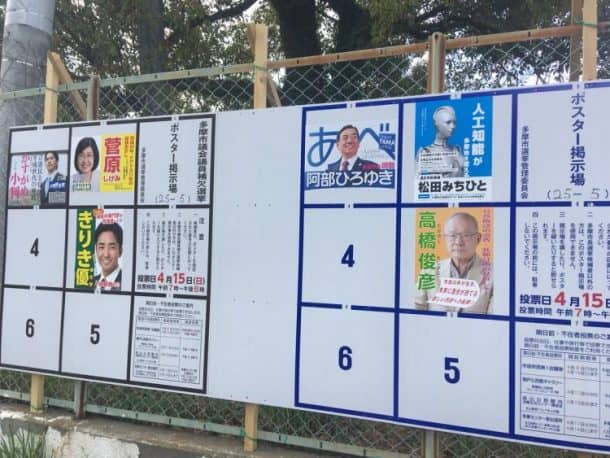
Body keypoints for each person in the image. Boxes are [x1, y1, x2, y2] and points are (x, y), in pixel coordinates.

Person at [415, 212, 493, 314]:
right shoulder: (428, 272)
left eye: (466, 235)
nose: (458, 242)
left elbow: (494, 320)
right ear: (445, 238)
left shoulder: (495, 275)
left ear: (478, 238)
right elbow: (415, 311)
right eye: (452, 235)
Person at [416, 105, 465, 177]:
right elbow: (415, 179)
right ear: (437, 124)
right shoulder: (425, 152)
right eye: (448, 122)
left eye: (454, 122)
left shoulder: (457, 150)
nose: (453, 126)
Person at [93, 222, 123, 291]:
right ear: (96, 250)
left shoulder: (127, 282)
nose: (106, 255)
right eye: (101, 247)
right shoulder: (90, 282)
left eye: (112, 247)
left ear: (120, 251)